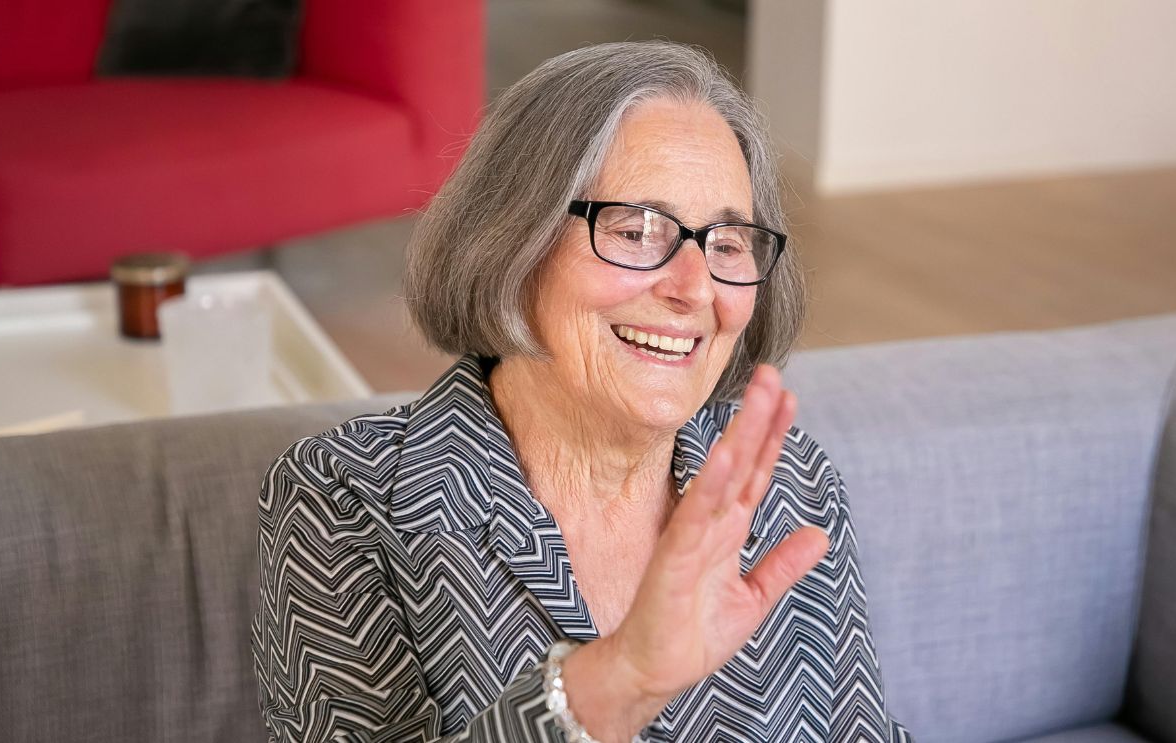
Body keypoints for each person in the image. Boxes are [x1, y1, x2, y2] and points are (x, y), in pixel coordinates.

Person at [252, 41, 913, 742]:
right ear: (514, 240)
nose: (695, 289)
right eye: (637, 231)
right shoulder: (349, 499)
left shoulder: (786, 479)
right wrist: (616, 682)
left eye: (726, 244)